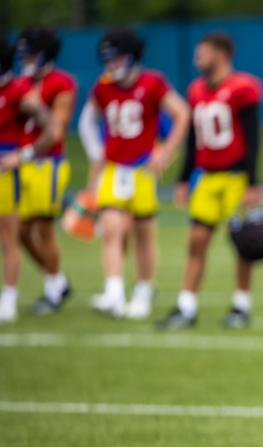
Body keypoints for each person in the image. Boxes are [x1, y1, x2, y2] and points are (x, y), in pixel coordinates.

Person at [79, 27, 189, 318]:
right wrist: (96, 156)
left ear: (131, 57)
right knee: (112, 228)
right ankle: (114, 290)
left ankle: (143, 290)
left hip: (142, 169)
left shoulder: (152, 82)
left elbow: (182, 113)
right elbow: (86, 122)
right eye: (108, 60)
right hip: (114, 168)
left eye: (116, 59)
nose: (111, 65)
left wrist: (167, 153)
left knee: (144, 233)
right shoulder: (102, 87)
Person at [158, 31, 263, 330]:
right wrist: (182, 178)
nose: (197, 58)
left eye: (203, 52)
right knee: (196, 241)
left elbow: (254, 136)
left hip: (235, 177)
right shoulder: (195, 90)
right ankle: (186, 306)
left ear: (221, 54)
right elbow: (193, 139)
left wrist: (252, 182)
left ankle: (241, 306)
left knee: (242, 244)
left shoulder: (243, 88)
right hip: (206, 177)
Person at [15, 26, 74, 316]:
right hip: (20, 164)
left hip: (46, 163)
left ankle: (53, 289)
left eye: (31, 52)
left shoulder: (61, 83)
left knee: (43, 229)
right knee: (18, 232)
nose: (25, 58)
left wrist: (38, 108)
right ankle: (58, 281)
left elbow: (57, 129)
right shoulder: (19, 83)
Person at [0, 40, 55, 323]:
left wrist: (22, 155)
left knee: (9, 238)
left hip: (5, 171)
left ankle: (8, 299)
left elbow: (51, 129)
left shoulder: (19, 90)